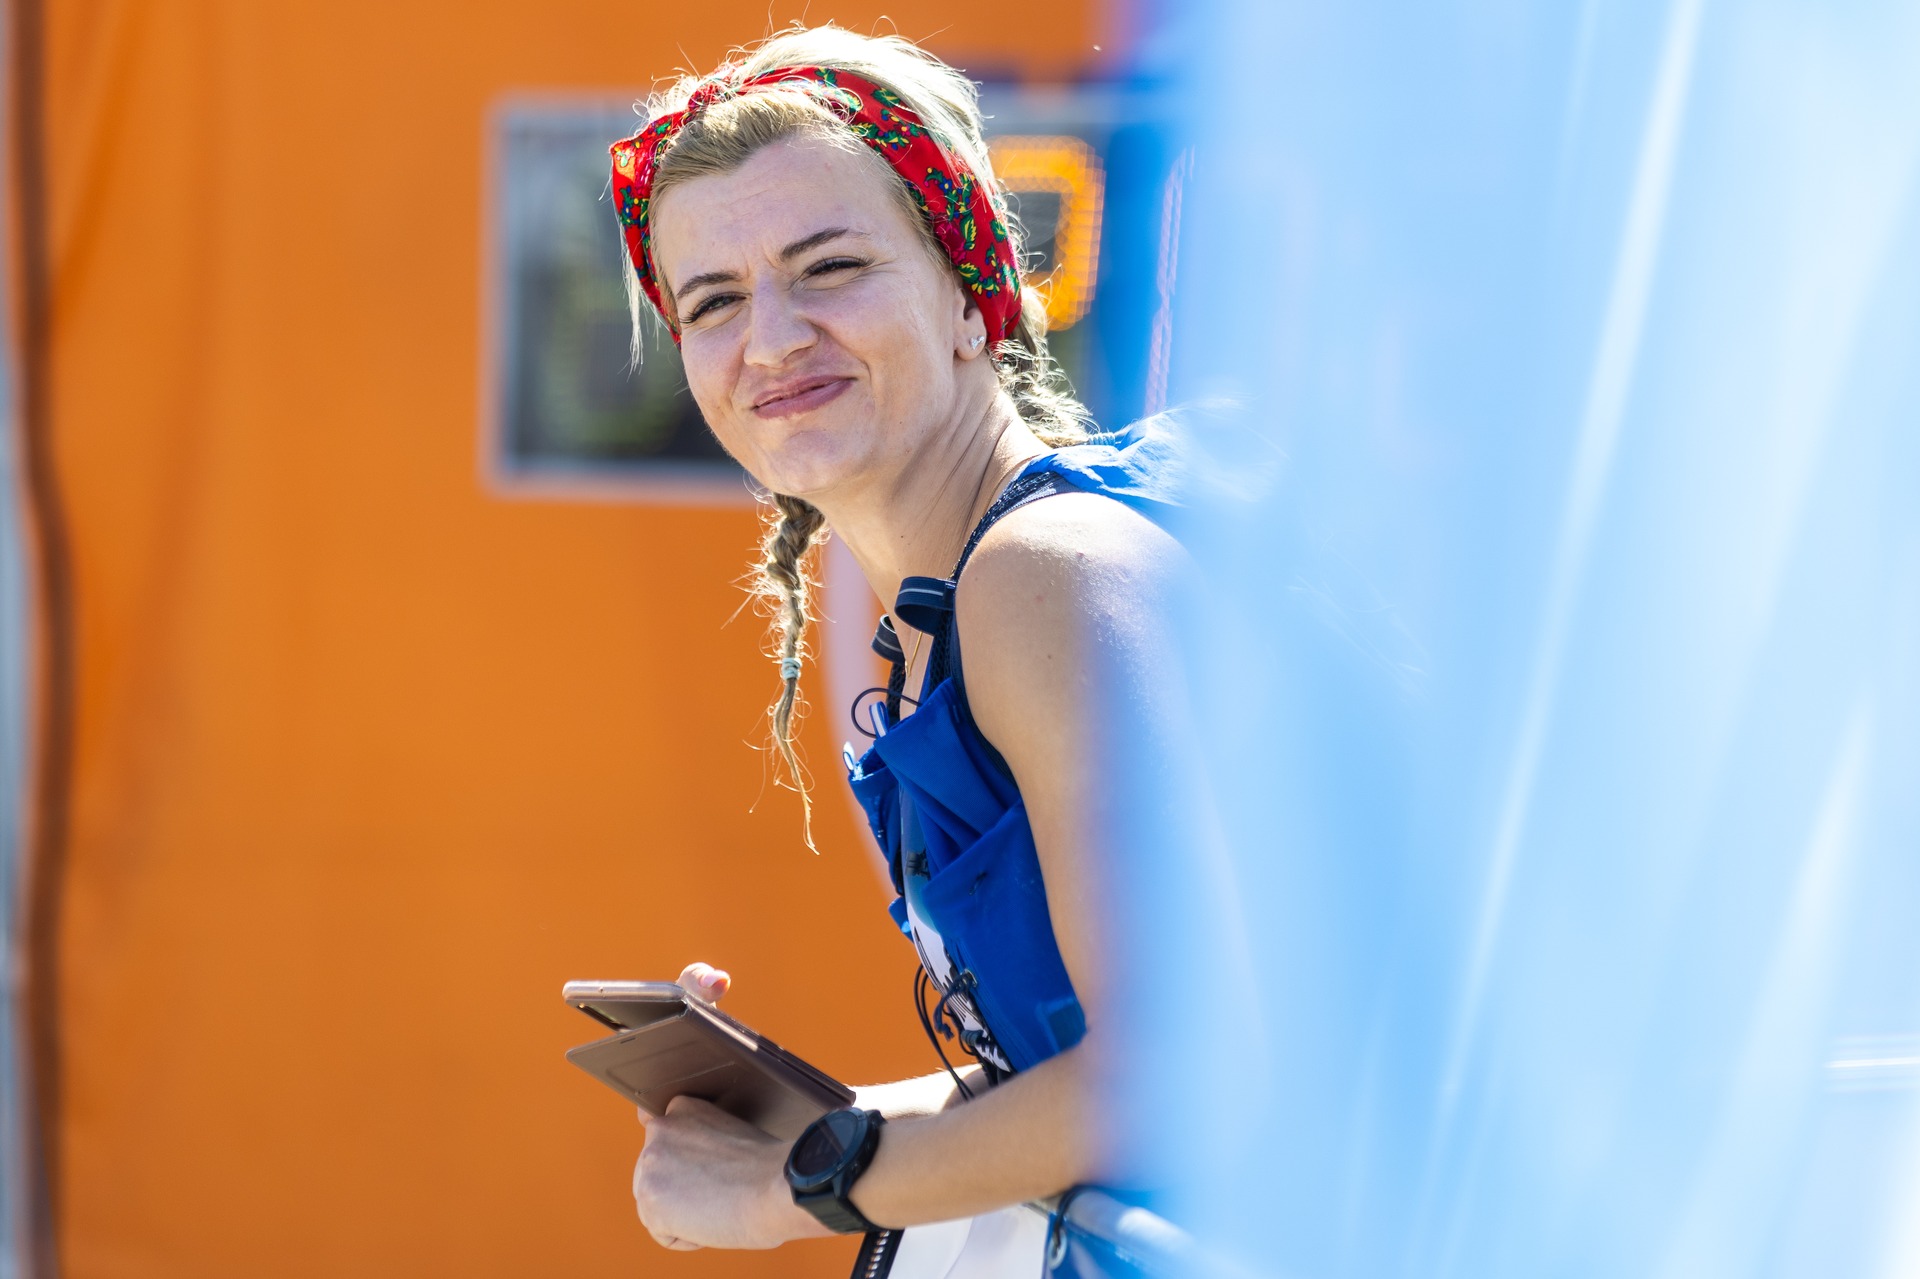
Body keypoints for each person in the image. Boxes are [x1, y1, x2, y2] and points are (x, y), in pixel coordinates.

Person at [608, 24, 1193, 1255]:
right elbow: (1064, 1077)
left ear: (973, 293)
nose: (771, 338)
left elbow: (1170, 1077)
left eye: (829, 268)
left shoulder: (1041, 576)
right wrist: (798, 1138)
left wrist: (786, 1193)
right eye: (714, 301)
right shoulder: (953, 613)